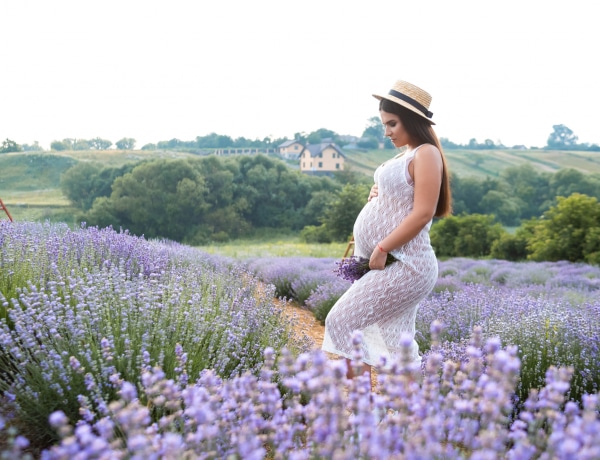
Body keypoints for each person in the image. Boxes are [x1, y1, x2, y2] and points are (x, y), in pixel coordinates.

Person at [321, 79, 452, 385]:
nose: (387, 132)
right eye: (384, 124)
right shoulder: (404, 156)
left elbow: (423, 212)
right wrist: (378, 194)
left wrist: (381, 247)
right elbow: (401, 196)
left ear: (412, 120)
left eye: (392, 124)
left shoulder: (426, 153)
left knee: (343, 321)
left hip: (405, 263)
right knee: (397, 344)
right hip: (392, 261)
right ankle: (411, 414)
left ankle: (363, 413)